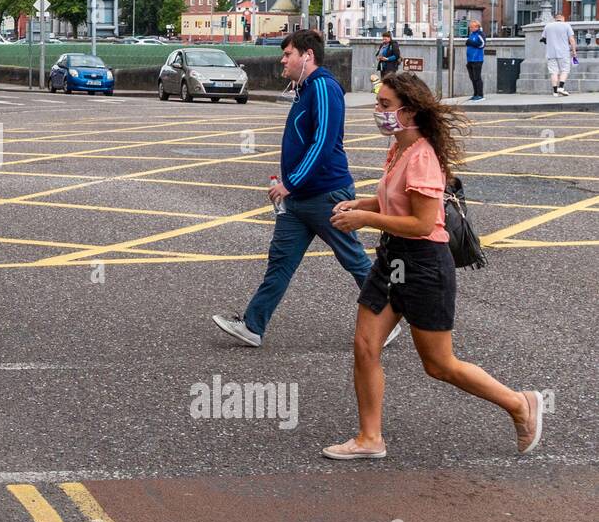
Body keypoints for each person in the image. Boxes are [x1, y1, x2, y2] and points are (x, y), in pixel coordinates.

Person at [323, 72, 544, 458]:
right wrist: (363, 204)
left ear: (408, 112)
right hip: (393, 259)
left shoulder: (422, 156)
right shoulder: (399, 148)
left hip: (424, 264)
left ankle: (519, 404)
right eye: (379, 103)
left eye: (385, 105)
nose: (378, 111)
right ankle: (370, 439)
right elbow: (398, 202)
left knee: (439, 364)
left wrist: (365, 221)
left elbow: (423, 223)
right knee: (365, 345)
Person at [213, 31, 399, 349]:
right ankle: (253, 326)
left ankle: (387, 322)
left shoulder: (324, 88)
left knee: (354, 259)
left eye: (288, 54)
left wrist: (291, 182)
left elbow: (324, 143)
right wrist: (291, 186)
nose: (282, 59)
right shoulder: (305, 90)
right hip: (299, 200)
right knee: (281, 262)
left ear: (307, 55)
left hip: (326, 194)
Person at [540, 12, 577, 96]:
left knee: (554, 72)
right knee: (565, 70)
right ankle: (561, 87)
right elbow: (571, 40)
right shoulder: (566, 25)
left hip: (551, 53)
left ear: (555, 18)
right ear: (563, 18)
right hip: (563, 52)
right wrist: (574, 51)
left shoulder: (548, 26)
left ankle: (555, 92)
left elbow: (543, 39)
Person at [464, 19, 486, 101]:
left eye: (472, 27)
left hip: (477, 59)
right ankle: (475, 94)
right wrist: (468, 42)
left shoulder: (480, 34)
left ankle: (480, 95)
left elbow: (482, 44)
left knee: (477, 77)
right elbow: (469, 43)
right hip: (470, 59)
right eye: (470, 27)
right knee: (472, 78)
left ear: (477, 27)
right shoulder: (471, 34)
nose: (470, 28)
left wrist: (471, 43)